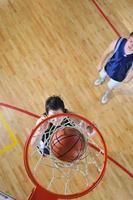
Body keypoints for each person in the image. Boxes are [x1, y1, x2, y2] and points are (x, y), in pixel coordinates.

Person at [94, 32, 133, 104]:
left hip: (119, 75)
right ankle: (101, 79)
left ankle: (106, 93)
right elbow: (107, 52)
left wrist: (128, 78)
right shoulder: (118, 42)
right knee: (102, 75)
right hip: (109, 67)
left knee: (110, 86)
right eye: (131, 41)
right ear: (128, 38)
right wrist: (100, 63)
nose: (131, 45)